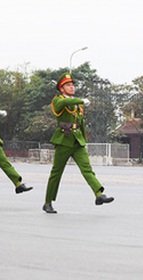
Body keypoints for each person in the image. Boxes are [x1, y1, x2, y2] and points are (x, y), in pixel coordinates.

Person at [43, 73, 114, 214]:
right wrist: (79, 100)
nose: (71, 87)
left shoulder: (76, 104)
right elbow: (62, 105)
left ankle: (99, 194)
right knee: (56, 173)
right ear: (62, 88)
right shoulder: (58, 100)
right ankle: (47, 202)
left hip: (77, 140)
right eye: (68, 85)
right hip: (64, 139)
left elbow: (80, 123)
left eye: (72, 85)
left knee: (87, 169)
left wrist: (83, 140)